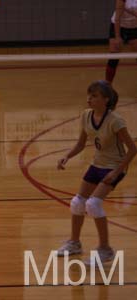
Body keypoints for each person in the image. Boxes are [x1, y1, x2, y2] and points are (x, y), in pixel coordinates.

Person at [56, 80, 136, 264]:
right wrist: (67, 156)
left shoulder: (116, 121)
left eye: (94, 96)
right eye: (89, 95)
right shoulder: (86, 116)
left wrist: (116, 172)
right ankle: (75, 243)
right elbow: (81, 144)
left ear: (106, 100)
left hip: (114, 166)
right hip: (97, 164)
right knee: (77, 203)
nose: (89, 99)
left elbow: (132, 149)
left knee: (93, 205)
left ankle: (105, 249)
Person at [105, 0, 137, 83]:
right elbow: (117, 18)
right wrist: (117, 36)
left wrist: (127, 9)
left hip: (134, 27)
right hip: (119, 26)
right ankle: (108, 86)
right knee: (114, 56)